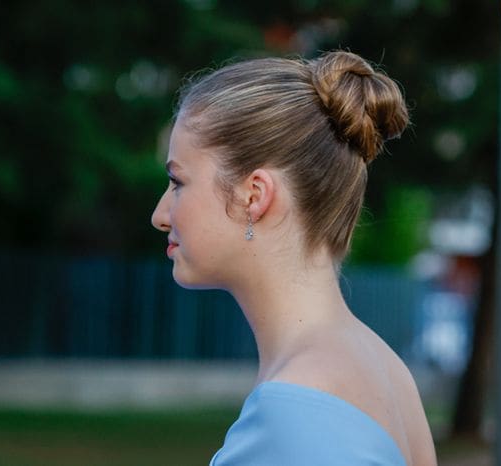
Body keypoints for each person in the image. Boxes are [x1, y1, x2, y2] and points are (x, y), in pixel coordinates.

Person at [151, 50, 437, 466]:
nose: (160, 215)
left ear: (255, 194)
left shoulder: (295, 405)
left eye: (178, 182)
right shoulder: (386, 370)